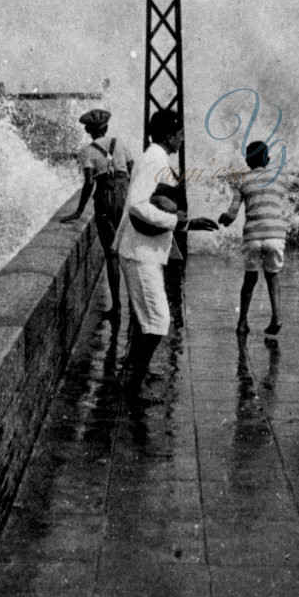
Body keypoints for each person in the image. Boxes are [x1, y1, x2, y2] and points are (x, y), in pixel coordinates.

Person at [114, 109, 216, 405]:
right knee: (158, 322)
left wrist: (117, 243)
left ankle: (132, 373)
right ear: (170, 135)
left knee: (148, 320)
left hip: (140, 250)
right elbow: (135, 205)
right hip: (141, 253)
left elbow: (132, 202)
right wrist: (182, 223)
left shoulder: (153, 157)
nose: (183, 140)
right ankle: (133, 387)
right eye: (181, 134)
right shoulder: (155, 160)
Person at [217, 140, 299, 338]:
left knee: (250, 279)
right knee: (272, 276)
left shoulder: (242, 180)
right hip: (275, 236)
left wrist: (225, 219)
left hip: (252, 236)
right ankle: (276, 317)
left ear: (247, 161)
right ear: (267, 160)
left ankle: (242, 321)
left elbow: (232, 213)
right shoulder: (279, 176)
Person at [59, 108, 134, 323]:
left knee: (112, 254)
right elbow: (132, 168)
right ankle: (133, 306)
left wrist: (79, 211)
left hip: (104, 201)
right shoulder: (120, 143)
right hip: (124, 196)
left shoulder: (86, 151)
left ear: (88, 131)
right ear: (107, 128)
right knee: (128, 251)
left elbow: (90, 182)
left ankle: (117, 309)